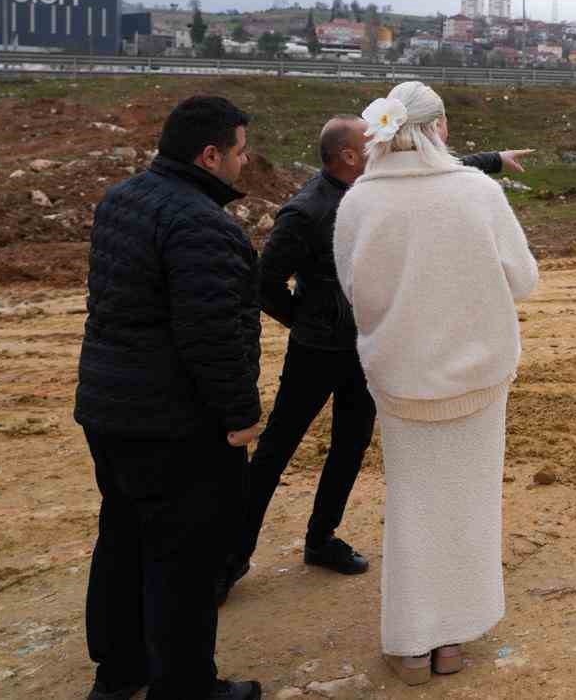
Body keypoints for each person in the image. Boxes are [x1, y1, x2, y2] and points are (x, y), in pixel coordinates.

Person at [219, 115, 532, 602]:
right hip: (315, 352)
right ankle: (230, 558)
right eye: (372, 141)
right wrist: (308, 322)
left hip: (367, 348)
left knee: (350, 444)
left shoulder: (377, 187)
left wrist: (493, 161)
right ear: (347, 155)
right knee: (278, 447)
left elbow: (432, 173)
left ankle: (321, 539)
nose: (388, 144)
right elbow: (264, 283)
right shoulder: (305, 211)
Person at [332, 82, 537, 685]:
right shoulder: (477, 191)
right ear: (439, 128)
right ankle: (455, 638)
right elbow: (522, 280)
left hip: (399, 380)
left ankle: (412, 642)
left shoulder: (359, 202)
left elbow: (353, 291)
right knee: (471, 503)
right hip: (478, 378)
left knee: (412, 502)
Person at [74, 95, 263, 700]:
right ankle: (185, 687)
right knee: (184, 558)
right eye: (238, 151)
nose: (245, 161)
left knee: (124, 535)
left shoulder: (120, 199)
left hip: (108, 410)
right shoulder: (203, 225)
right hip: (174, 424)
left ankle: (119, 672)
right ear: (210, 155)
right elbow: (211, 335)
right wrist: (240, 415)